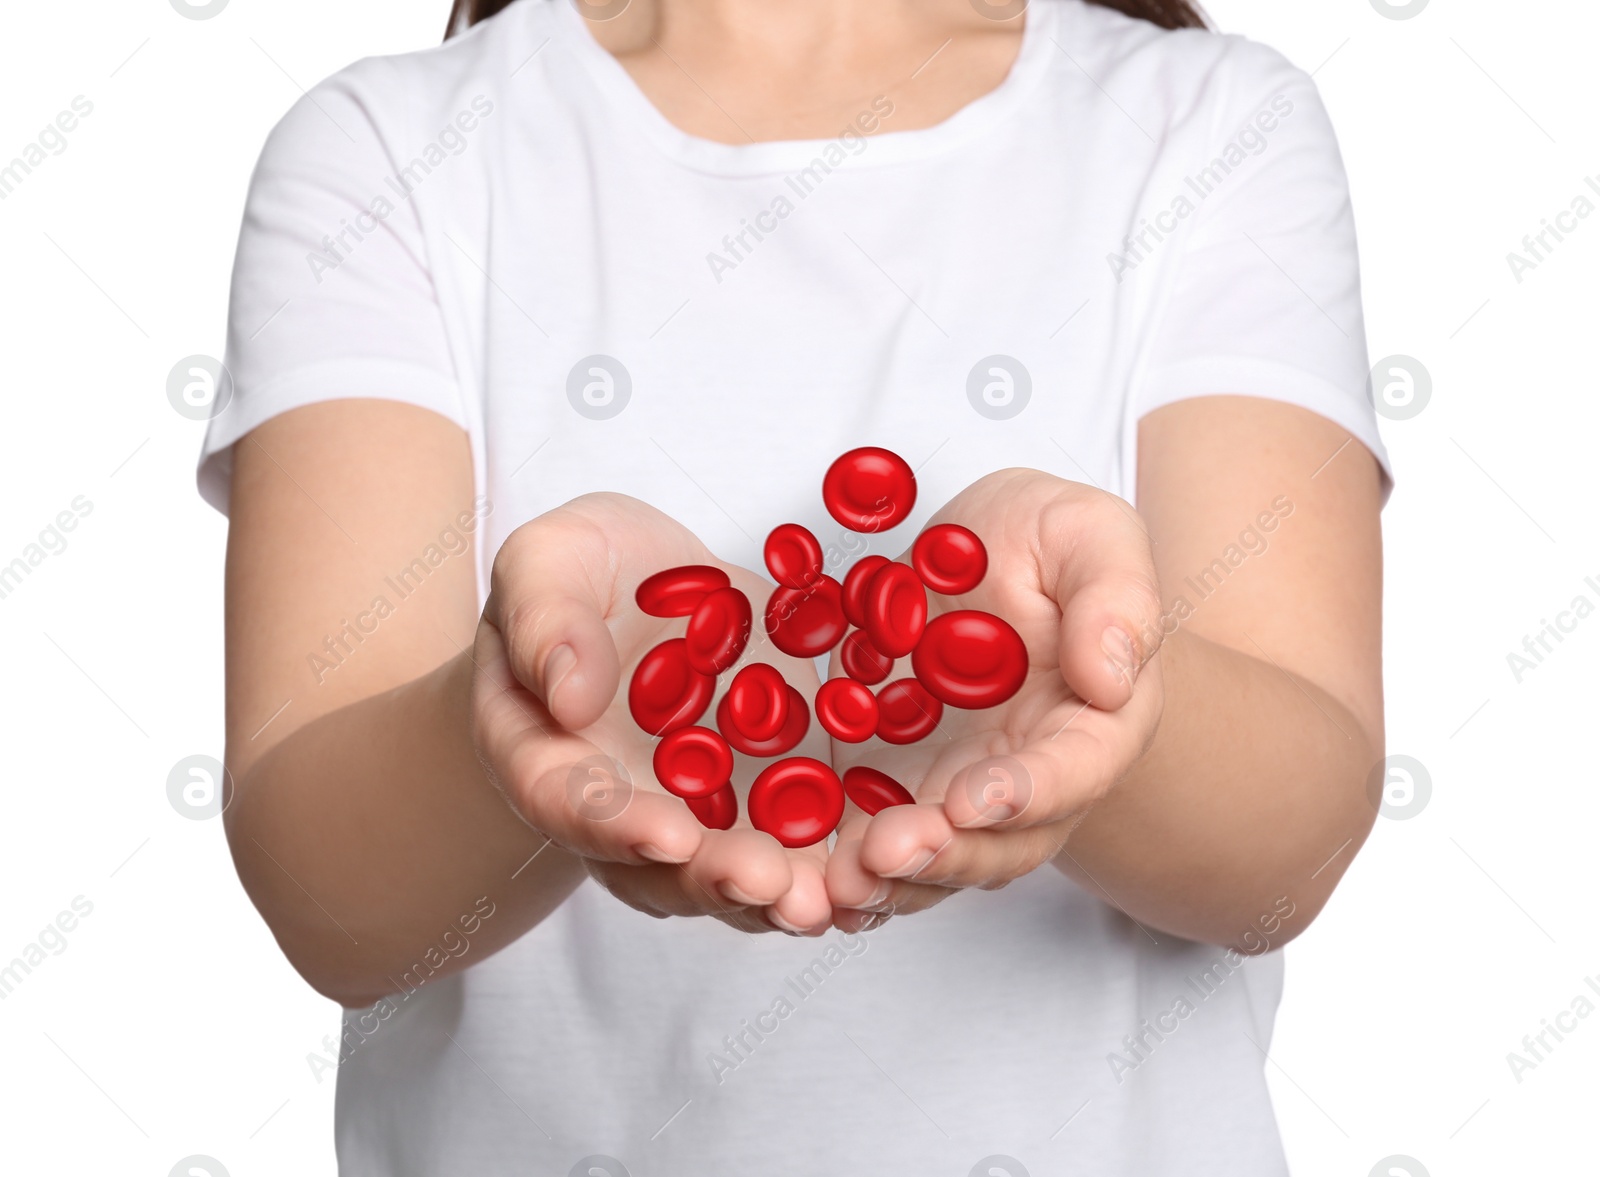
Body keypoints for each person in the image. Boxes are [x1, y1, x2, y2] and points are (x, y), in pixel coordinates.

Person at [199, 0, 1389, 1171]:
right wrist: (512, 720)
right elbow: (329, 901)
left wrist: (1079, 676)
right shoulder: (390, 151)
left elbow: (1288, 853)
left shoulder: (1209, 123)